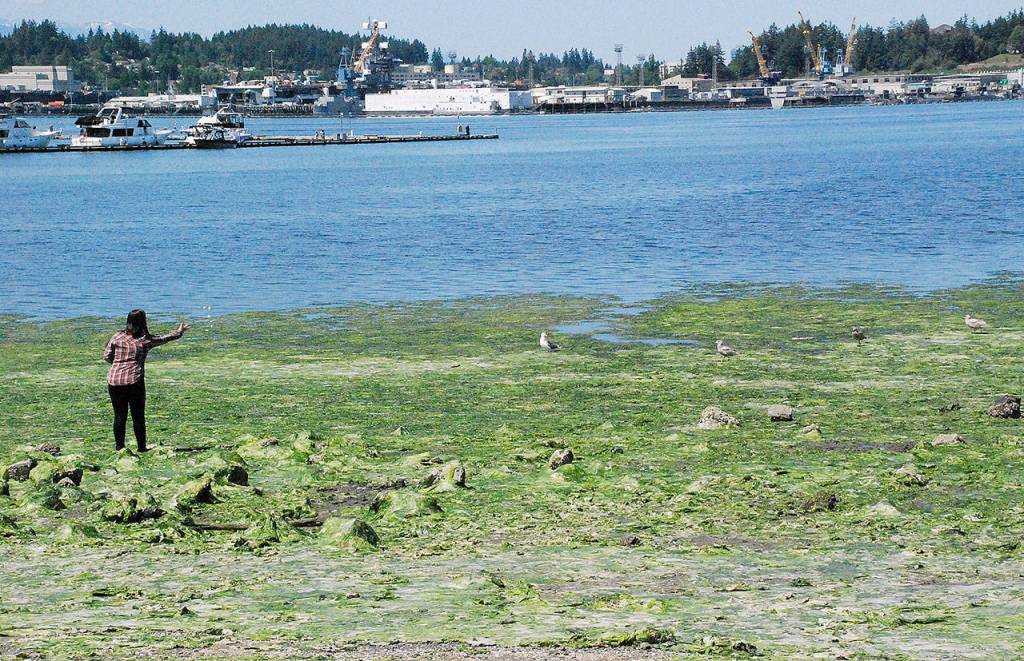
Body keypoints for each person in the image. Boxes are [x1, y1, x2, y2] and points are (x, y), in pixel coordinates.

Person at [103, 310, 190, 451]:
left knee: (119, 416)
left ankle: (120, 448)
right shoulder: (145, 340)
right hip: (134, 381)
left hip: (114, 381)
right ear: (143, 322)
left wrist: (119, 364)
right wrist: (179, 332)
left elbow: (107, 356)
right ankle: (141, 448)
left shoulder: (117, 336)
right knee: (138, 416)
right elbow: (164, 338)